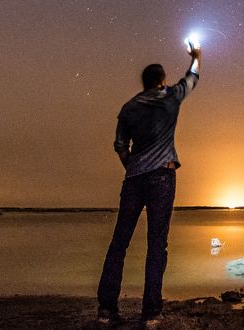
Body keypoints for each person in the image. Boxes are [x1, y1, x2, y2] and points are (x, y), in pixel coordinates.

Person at [96, 42, 202, 326]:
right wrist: (196, 57)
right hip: (162, 178)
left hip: (134, 179)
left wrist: (132, 167)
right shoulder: (170, 97)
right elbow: (192, 78)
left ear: (144, 82)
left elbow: (120, 146)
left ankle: (106, 309)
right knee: (157, 244)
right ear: (162, 80)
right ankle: (151, 312)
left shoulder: (128, 108)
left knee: (120, 242)